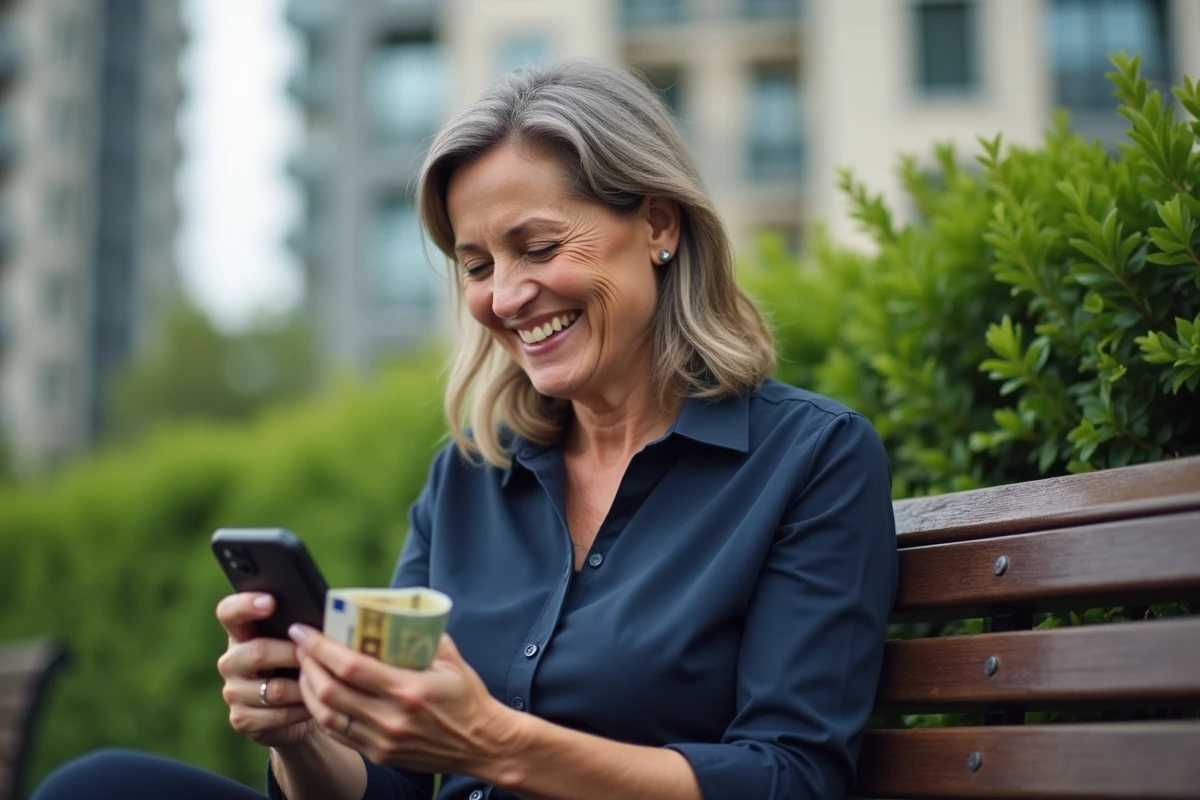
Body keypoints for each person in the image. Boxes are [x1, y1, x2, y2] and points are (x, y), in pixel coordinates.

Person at [33, 59, 897, 800]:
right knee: (96, 785)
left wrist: (494, 743)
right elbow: (393, 783)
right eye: (478, 266)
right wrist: (300, 729)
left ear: (660, 225)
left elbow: (792, 777)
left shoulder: (812, 461)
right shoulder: (470, 477)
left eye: (540, 247)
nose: (506, 296)